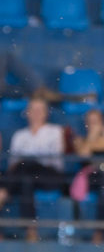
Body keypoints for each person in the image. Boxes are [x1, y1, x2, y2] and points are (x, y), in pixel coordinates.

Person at [6, 96, 66, 241]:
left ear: (46, 113)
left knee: (27, 167)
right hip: (26, 177)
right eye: (33, 109)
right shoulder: (19, 135)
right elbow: (12, 164)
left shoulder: (56, 131)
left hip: (50, 175)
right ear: (27, 112)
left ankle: (3, 192)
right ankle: (30, 229)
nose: (36, 113)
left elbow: (54, 159)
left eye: (40, 110)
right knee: (26, 178)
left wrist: (29, 161)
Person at [70, 108, 104, 243]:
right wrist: (91, 138)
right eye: (90, 122)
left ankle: (99, 232)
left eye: (96, 122)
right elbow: (83, 157)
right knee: (103, 178)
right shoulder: (80, 140)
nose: (93, 125)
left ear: (103, 123)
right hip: (91, 177)